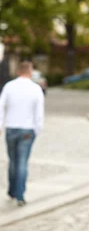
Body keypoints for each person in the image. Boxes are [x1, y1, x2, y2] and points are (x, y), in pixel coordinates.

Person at [0, 61, 45, 206]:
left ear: (19, 71)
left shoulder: (9, 86)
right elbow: (39, 113)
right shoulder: (36, 88)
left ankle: (12, 191)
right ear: (30, 72)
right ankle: (20, 195)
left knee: (12, 161)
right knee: (22, 163)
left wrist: (0, 126)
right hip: (27, 129)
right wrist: (38, 129)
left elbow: (1, 107)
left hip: (11, 128)